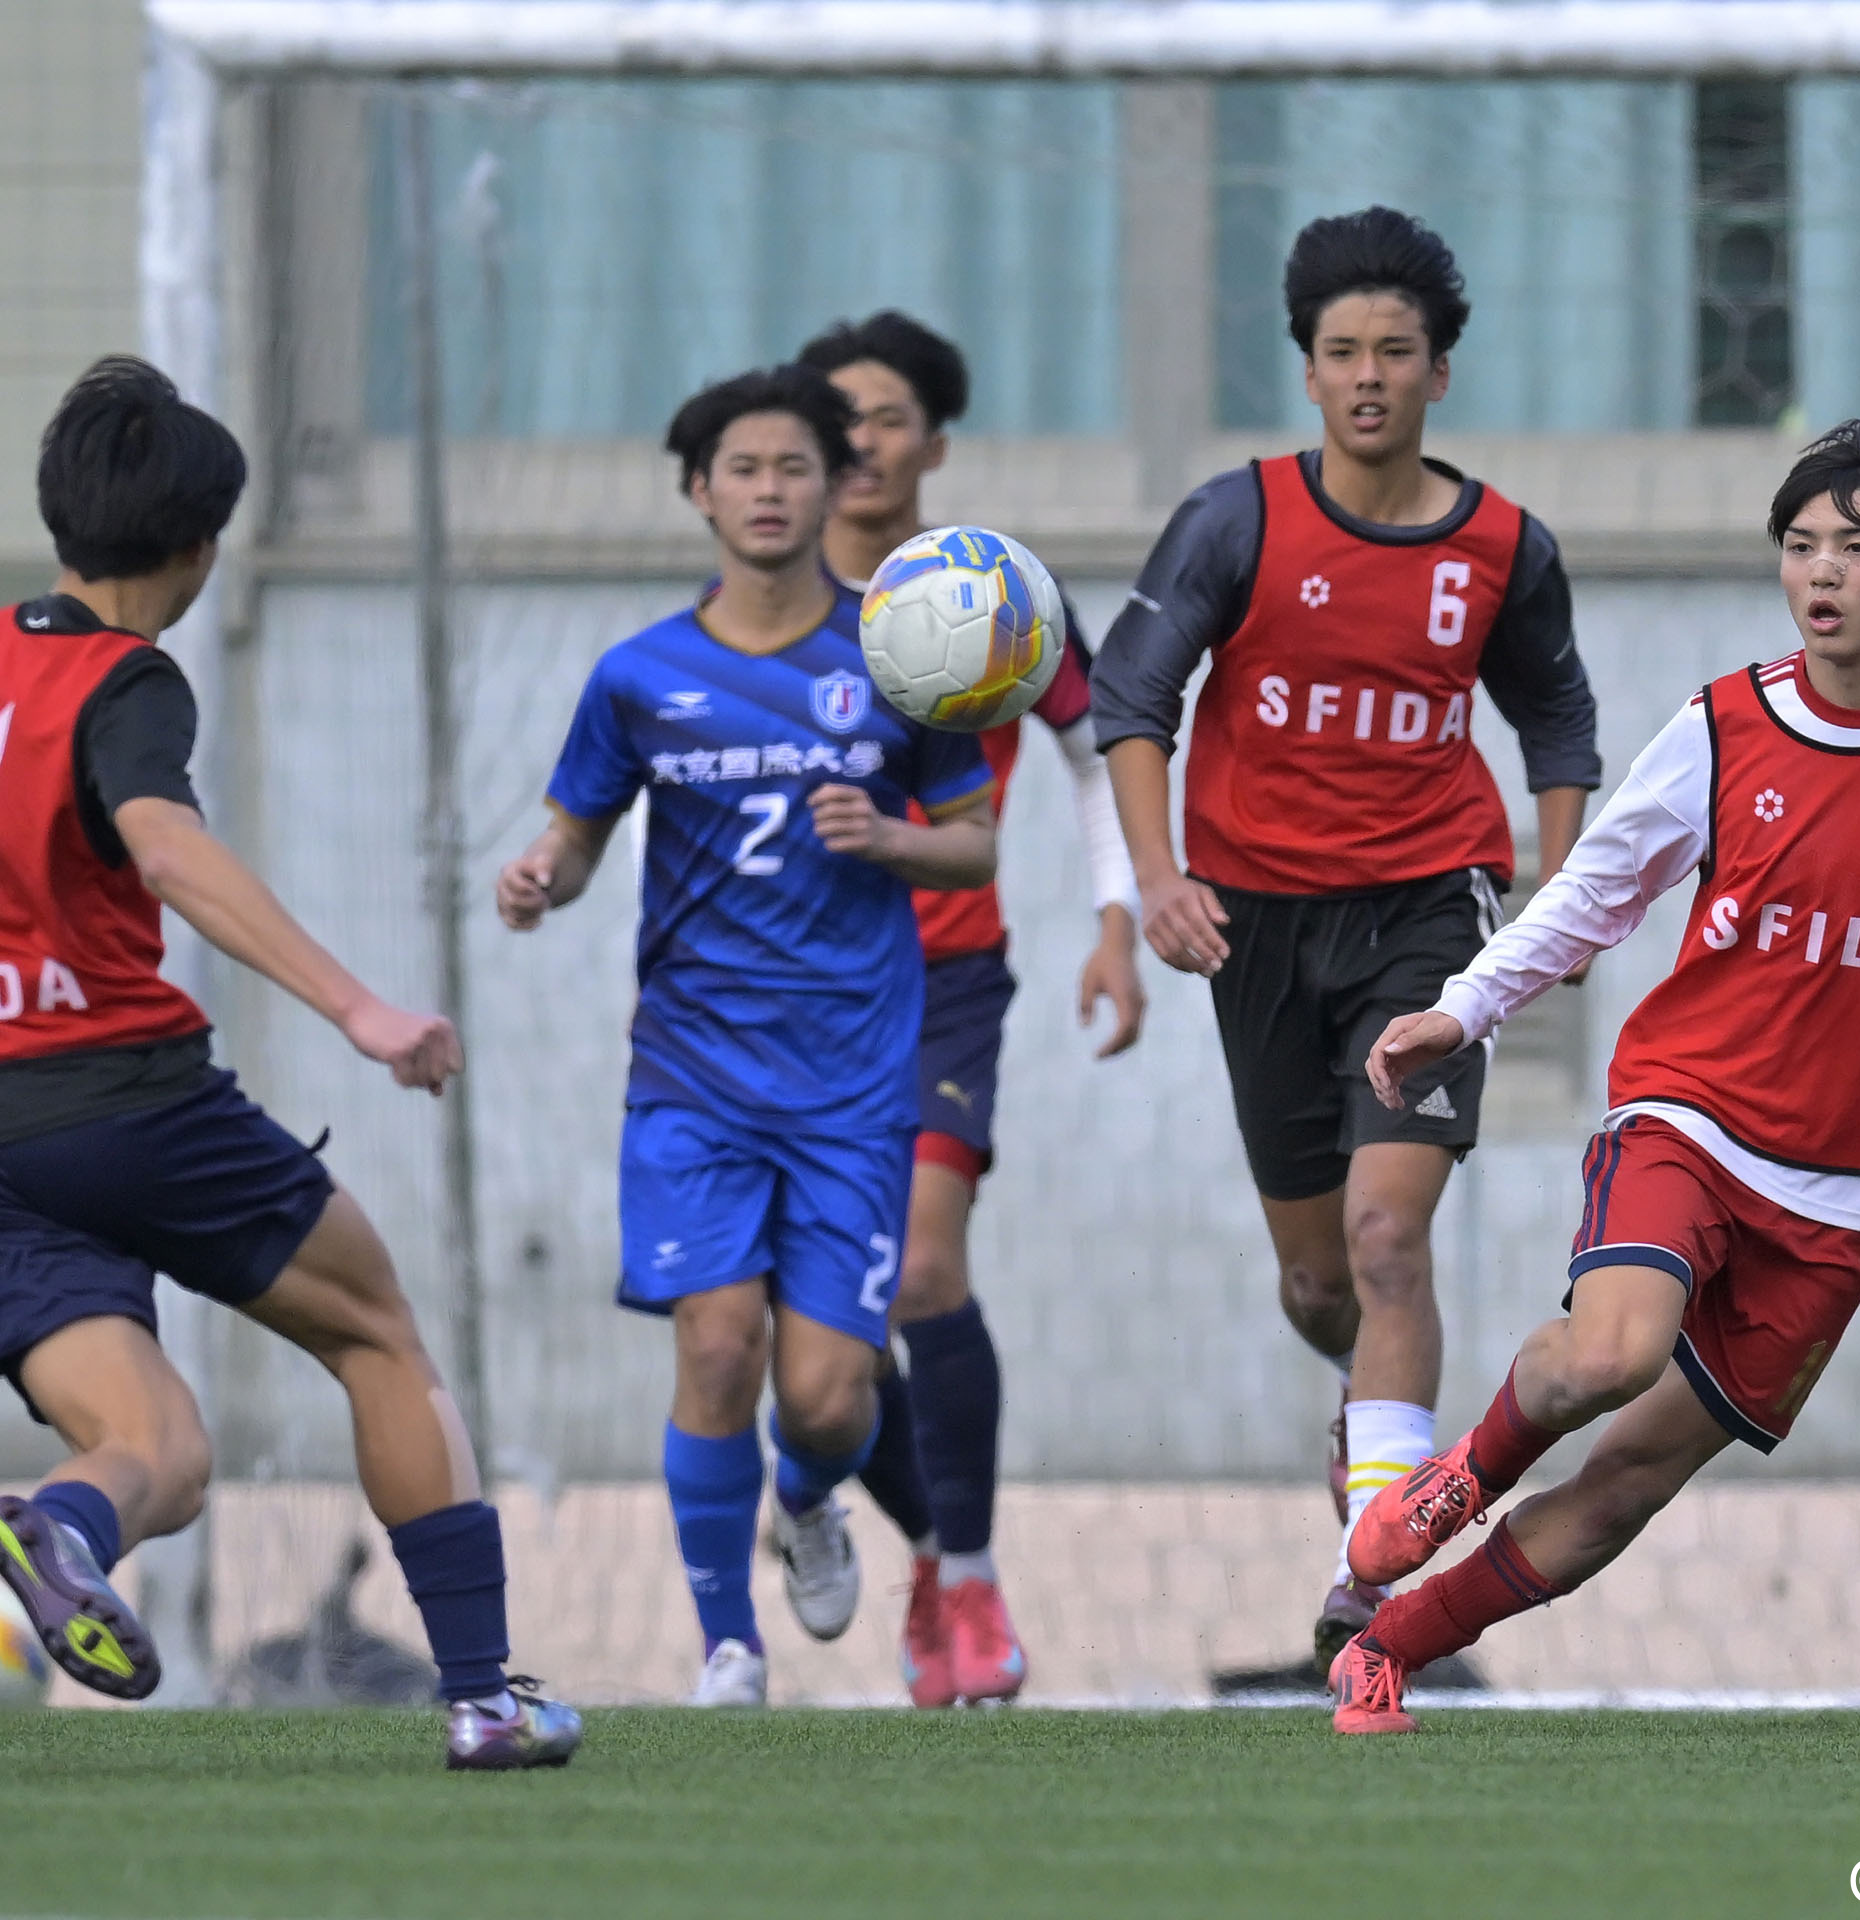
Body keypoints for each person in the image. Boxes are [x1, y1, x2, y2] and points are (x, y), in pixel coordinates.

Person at [1332, 420, 1860, 1733]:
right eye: (1801, 548)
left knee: (1627, 1487)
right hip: (1690, 1111)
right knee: (1611, 1353)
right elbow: (1595, 890)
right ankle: (1455, 1480)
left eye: (1856, 547)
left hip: (1846, 1194)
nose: (1824, 574)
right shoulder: (1725, 723)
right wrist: (1464, 1008)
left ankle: (1390, 1648)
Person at [0, 356, 580, 1768]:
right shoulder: (126, 683)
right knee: (376, 1335)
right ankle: (486, 1700)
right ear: (202, 548)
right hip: (128, 1099)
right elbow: (167, 845)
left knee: (163, 1456)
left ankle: (53, 1529)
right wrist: (358, 1010)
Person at [1091, 206, 1601, 1661]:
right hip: (1253, 930)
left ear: (1441, 373)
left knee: (1389, 1240)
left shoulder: (1504, 547)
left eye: (1396, 351)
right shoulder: (1234, 520)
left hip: (1430, 924)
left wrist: (1555, 912)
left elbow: (1558, 722)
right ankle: (1373, 1429)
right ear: (1306, 371)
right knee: (1321, 1280)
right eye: (1341, 352)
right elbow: (1134, 702)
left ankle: (1375, 1582)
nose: (1368, 375)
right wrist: (1157, 878)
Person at [496, 364, 994, 1708]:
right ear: (697, 491)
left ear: (838, 487)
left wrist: (891, 838)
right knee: (717, 1344)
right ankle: (729, 1647)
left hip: (851, 1082)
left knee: (829, 1397)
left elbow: (976, 843)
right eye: (743, 469)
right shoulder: (639, 677)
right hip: (693, 1073)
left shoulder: (897, 657)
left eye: (794, 467)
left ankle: (808, 1496)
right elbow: (583, 837)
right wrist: (543, 873)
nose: (769, 491)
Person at [793, 311, 1145, 1707]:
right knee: (805, 1324)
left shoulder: (997, 594)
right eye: (833, 421)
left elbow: (1092, 747)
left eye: (883, 418)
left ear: (935, 443)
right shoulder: (767, 602)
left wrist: (1116, 923)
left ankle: (973, 1577)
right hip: (784, 997)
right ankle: (890, 1523)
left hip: (945, 976)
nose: (856, 445)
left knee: (925, 1274)